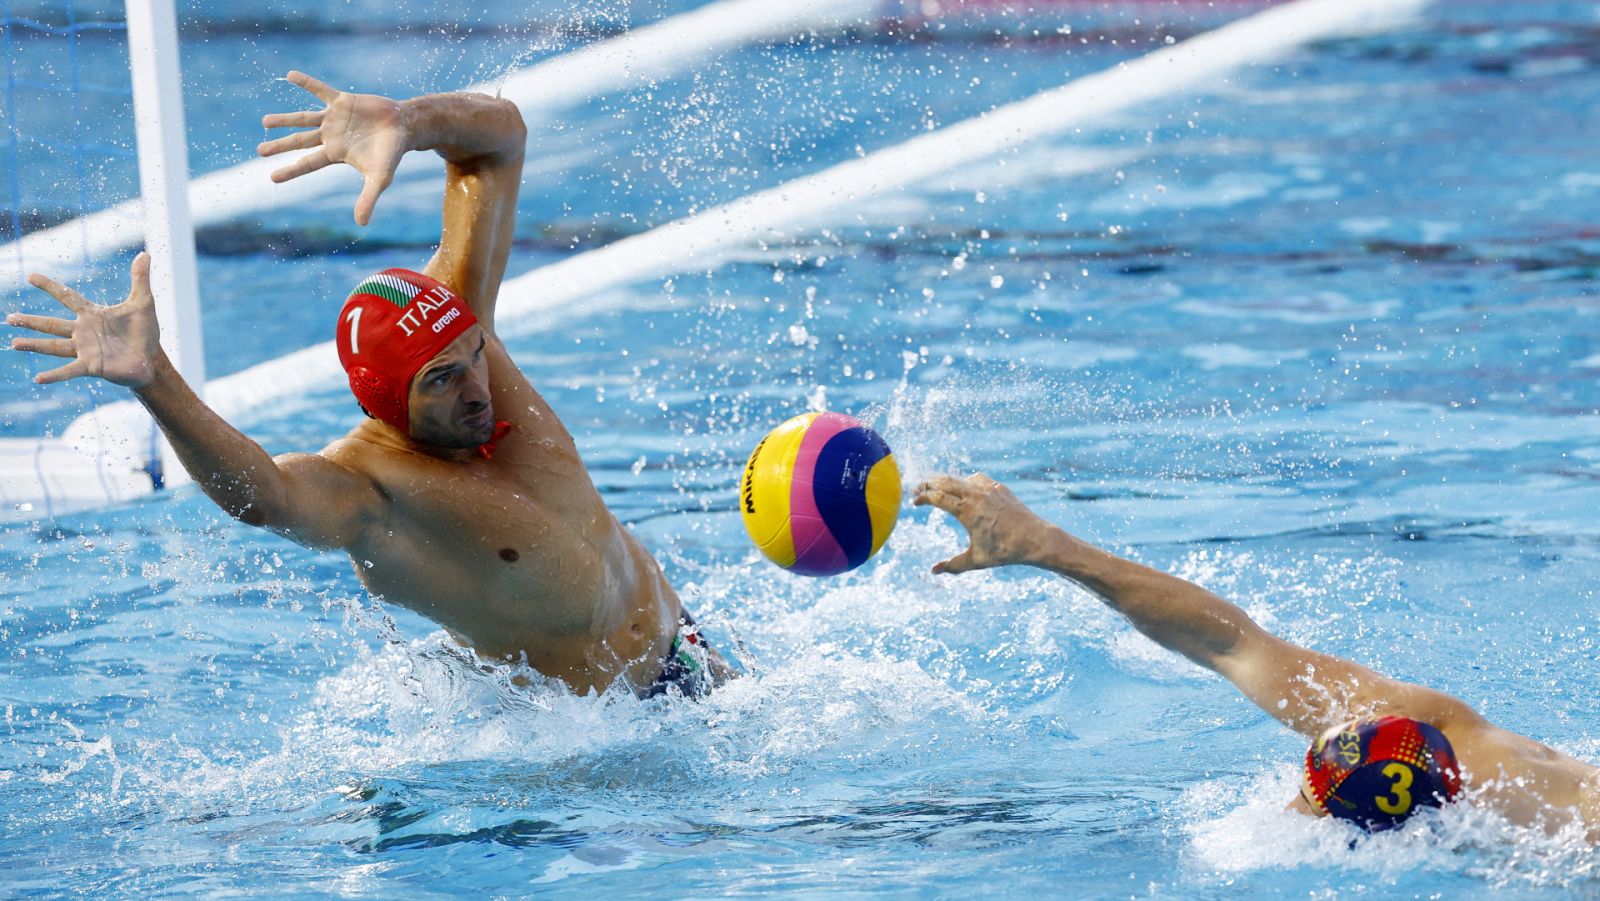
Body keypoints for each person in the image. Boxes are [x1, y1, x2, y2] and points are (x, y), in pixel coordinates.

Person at [7, 71, 731, 698]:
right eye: (442, 380)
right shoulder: (372, 489)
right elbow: (264, 495)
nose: (478, 387)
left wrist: (411, 122)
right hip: (595, 735)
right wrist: (154, 378)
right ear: (388, 402)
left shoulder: (454, 319)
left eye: (473, 354)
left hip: (685, 649)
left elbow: (500, 141)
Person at [913, 473, 1600, 837]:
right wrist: (1047, 547)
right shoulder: (1440, 730)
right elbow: (1232, 642)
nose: (1292, 808)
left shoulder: (1554, 824)